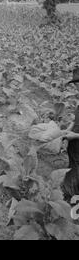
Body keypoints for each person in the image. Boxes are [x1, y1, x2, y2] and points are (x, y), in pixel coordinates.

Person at [62, 67, 79, 201]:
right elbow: (75, 120)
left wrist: (75, 136)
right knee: (72, 167)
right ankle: (70, 194)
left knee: (76, 170)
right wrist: (67, 131)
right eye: (76, 84)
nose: (77, 86)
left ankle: (71, 198)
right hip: (74, 145)